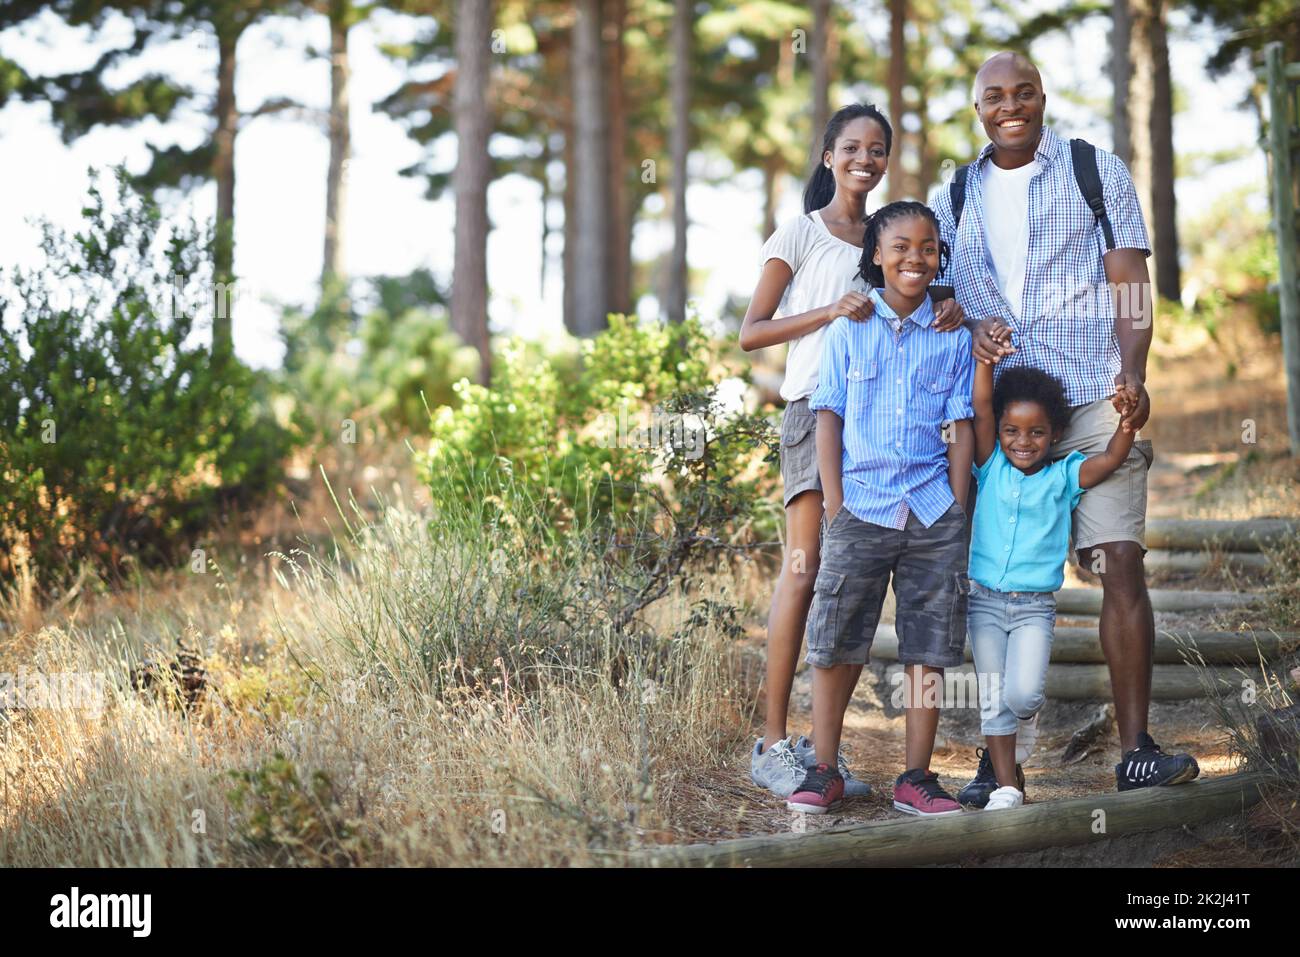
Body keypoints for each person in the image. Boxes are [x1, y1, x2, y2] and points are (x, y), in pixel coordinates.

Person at [932, 51, 1199, 793]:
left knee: (1120, 557)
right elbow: (941, 297)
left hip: (1087, 400)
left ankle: (1137, 748)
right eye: (993, 96)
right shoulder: (954, 190)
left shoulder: (1094, 169)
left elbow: (1131, 283)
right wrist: (971, 325)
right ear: (977, 107)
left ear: (1042, 97)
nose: (1009, 105)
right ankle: (998, 759)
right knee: (1000, 586)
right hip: (1003, 422)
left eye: (1022, 92)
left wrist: (1134, 373)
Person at [741, 105, 966, 799]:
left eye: (877, 149)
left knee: (835, 573)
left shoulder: (887, 233)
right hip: (819, 409)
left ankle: (831, 751)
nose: (864, 159)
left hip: (882, 424)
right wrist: (832, 310)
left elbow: (918, 286)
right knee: (807, 568)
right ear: (828, 155)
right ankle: (777, 740)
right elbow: (753, 331)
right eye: (851, 147)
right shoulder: (801, 232)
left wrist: (954, 304)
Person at [786, 201, 974, 816]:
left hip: (931, 509)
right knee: (837, 638)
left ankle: (916, 777)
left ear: (938, 256)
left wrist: (958, 506)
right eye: (899, 247)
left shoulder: (952, 336)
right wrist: (835, 504)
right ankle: (824, 768)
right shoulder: (847, 330)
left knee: (931, 645)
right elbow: (828, 417)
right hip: (860, 507)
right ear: (875, 254)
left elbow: (960, 423)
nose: (913, 258)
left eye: (926, 248)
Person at [961, 328, 1155, 810]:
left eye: (1036, 432)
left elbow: (1110, 458)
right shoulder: (990, 467)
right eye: (1012, 431)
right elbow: (982, 409)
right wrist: (983, 362)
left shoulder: (1063, 475)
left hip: (1032, 609)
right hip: (984, 602)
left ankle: (1023, 725)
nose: (1022, 442)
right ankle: (1007, 786)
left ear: (1056, 436)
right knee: (993, 697)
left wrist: (1129, 422)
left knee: (1022, 697)